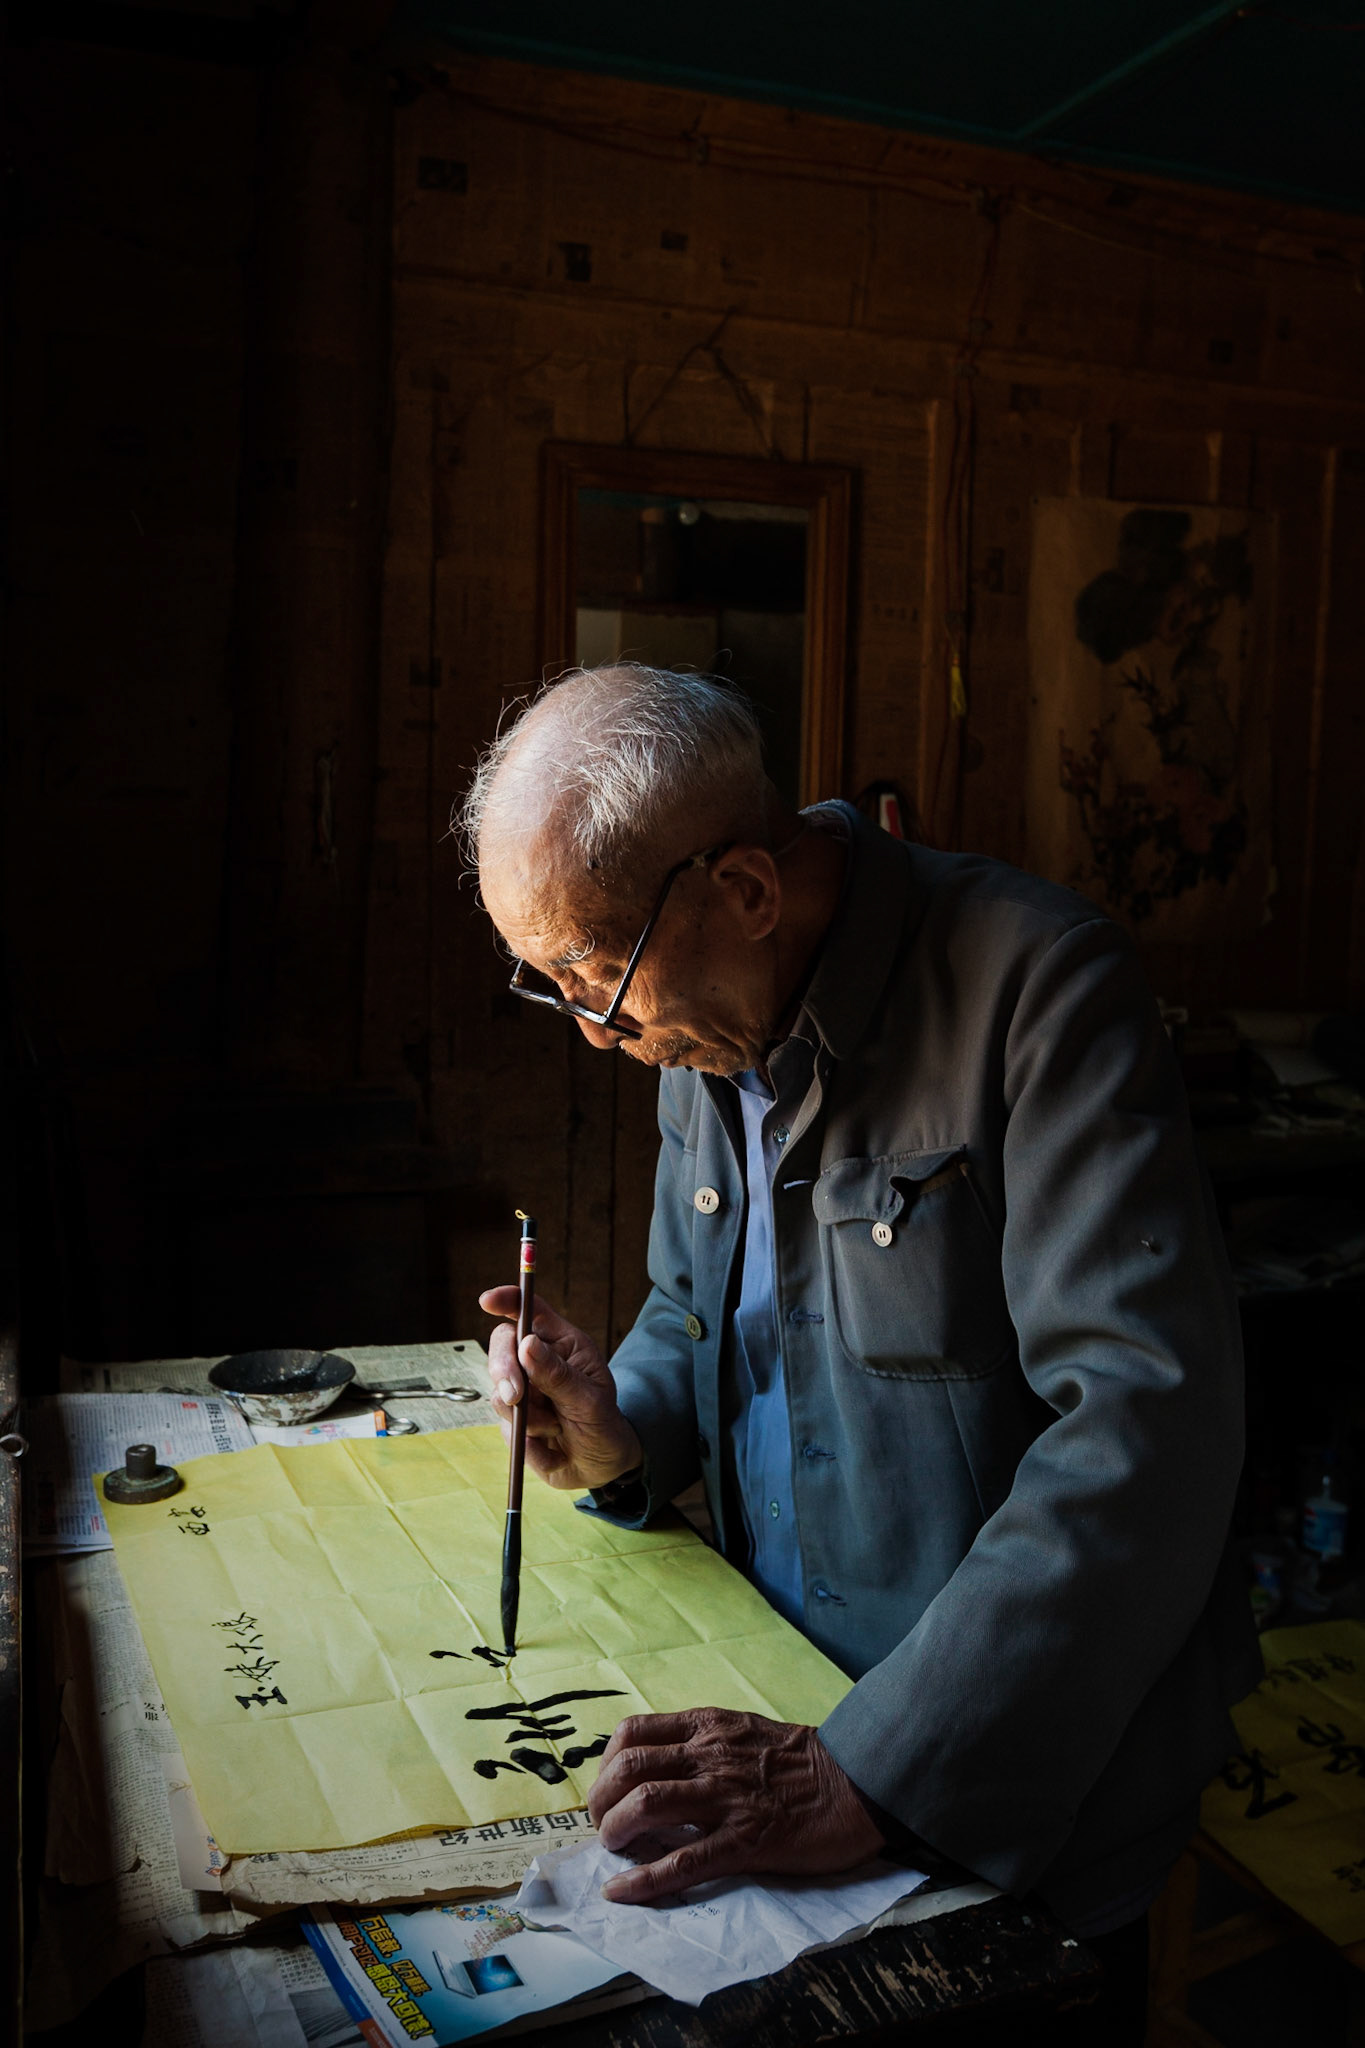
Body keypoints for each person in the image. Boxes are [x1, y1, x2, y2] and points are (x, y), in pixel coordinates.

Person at [463, 662, 1258, 2037]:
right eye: (554, 987)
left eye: (596, 975)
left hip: (1013, 1770)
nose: (596, 1034)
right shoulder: (705, 1033)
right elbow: (696, 1317)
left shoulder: (1036, 989)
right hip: (787, 1697)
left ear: (747, 896)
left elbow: (1144, 1427)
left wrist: (883, 1769)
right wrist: (615, 1426)